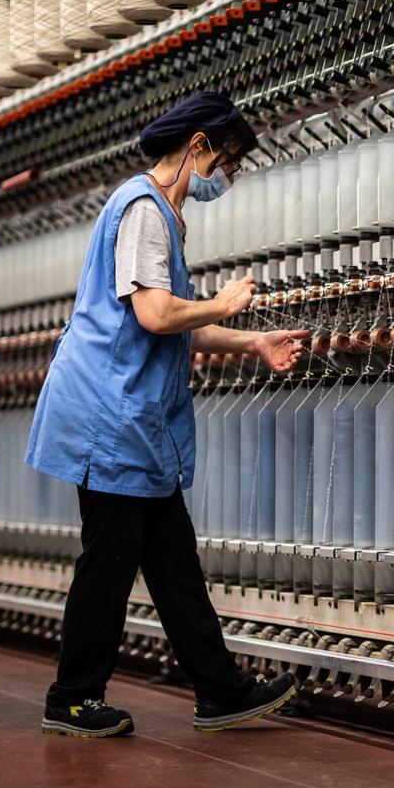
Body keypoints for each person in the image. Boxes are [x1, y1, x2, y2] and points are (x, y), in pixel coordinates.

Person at [25, 91, 307, 737]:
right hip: (110, 417)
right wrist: (222, 303)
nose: (226, 177)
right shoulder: (144, 210)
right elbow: (156, 314)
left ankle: (221, 691)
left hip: (134, 422)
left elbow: (178, 325)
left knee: (173, 562)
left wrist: (253, 343)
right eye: (226, 161)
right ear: (197, 146)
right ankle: (72, 698)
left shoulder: (164, 216)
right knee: (110, 560)